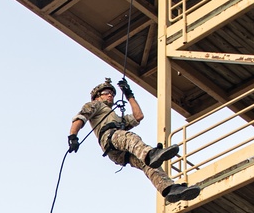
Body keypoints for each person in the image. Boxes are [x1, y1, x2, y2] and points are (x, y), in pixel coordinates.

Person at [68, 77, 200, 203]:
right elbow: (80, 118)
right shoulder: (95, 105)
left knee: (148, 164)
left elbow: (138, 116)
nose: (110, 96)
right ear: (98, 96)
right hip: (110, 138)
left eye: (112, 94)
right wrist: (73, 136)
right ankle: (151, 154)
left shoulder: (117, 118)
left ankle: (169, 189)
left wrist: (129, 95)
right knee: (130, 137)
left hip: (118, 152)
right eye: (106, 93)